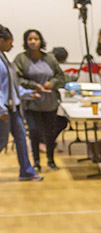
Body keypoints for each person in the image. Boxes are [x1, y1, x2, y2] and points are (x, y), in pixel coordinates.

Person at [13, 29, 66, 171]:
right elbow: (17, 79)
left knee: (50, 132)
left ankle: (51, 160)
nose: (33, 42)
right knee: (34, 132)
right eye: (29, 39)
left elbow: (61, 76)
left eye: (36, 39)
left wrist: (52, 83)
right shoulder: (21, 59)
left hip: (50, 102)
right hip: (31, 102)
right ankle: (36, 162)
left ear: (41, 41)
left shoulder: (49, 58)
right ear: (25, 42)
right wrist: (33, 85)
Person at [0, 25, 41, 181]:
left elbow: (11, 86)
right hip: (4, 110)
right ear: (1, 40)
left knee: (22, 139)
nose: (12, 45)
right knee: (2, 142)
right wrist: (1, 110)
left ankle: (26, 171)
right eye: (10, 42)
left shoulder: (4, 58)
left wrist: (28, 94)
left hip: (13, 108)